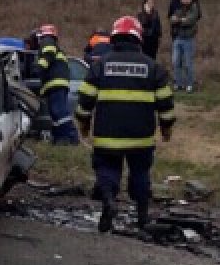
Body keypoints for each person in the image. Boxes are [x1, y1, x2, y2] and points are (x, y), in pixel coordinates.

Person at [74, 16, 175, 232]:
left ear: (114, 38)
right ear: (139, 39)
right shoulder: (153, 68)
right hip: (141, 138)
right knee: (140, 173)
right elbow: (165, 104)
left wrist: (83, 124)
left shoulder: (99, 66)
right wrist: (166, 128)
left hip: (107, 136)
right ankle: (142, 215)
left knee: (108, 170)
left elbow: (85, 101)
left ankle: (109, 201)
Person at [34, 24, 80, 145]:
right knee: (56, 113)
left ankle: (70, 137)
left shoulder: (47, 41)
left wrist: (38, 69)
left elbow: (47, 55)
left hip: (55, 84)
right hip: (57, 84)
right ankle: (60, 138)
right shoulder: (56, 47)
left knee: (60, 112)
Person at [169, 0, 199, 91]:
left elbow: (190, 20)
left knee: (188, 64)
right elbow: (172, 19)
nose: (186, 0)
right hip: (178, 38)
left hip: (188, 40)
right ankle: (178, 83)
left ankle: (189, 84)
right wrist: (180, 19)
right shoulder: (179, 8)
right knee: (176, 62)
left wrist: (180, 20)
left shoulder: (194, 8)